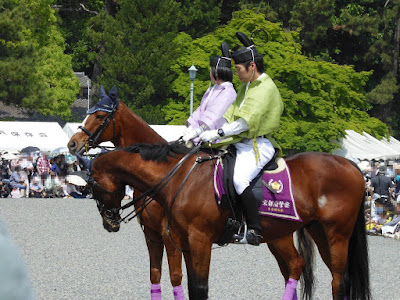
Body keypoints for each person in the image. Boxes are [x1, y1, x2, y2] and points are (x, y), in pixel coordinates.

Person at [199, 32, 284, 245]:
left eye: (238, 70)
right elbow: (230, 113)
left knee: (239, 180)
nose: (236, 74)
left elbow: (246, 122)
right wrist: (211, 131)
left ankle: (254, 229)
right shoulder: (247, 86)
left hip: (259, 144)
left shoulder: (266, 87)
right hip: (240, 142)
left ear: (252, 66)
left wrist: (218, 133)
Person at [182, 42, 237, 145]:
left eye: (210, 71)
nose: (209, 73)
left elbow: (215, 115)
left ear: (216, 73)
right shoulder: (213, 89)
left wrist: (198, 131)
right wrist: (191, 128)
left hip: (217, 137)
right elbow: (200, 110)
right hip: (203, 132)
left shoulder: (228, 92)